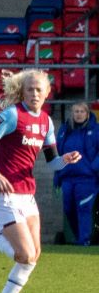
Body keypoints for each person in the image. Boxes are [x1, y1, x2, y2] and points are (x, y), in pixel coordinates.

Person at [0, 69, 82, 293]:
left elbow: (52, 163)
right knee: (25, 255)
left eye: (39, 89)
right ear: (22, 91)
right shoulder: (12, 115)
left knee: (33, 257)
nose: (34, 93)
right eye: (30, 89)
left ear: (47, 93)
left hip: (27, 195)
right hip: (5, 194)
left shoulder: (46, 121)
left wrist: (65, 159)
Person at [53, 101, 99, 246]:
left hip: (87, 179)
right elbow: (57, 154)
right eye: (76, 112)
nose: (79, 114)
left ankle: (84, 240)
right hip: (67, 178)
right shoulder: (64, 130)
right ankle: (79, 236)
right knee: (68, 208)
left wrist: (93, 168)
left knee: (83, 208)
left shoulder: (96, 130)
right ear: (72, 114)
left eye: (81, 111)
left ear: (87, 113)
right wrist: (57, 177)